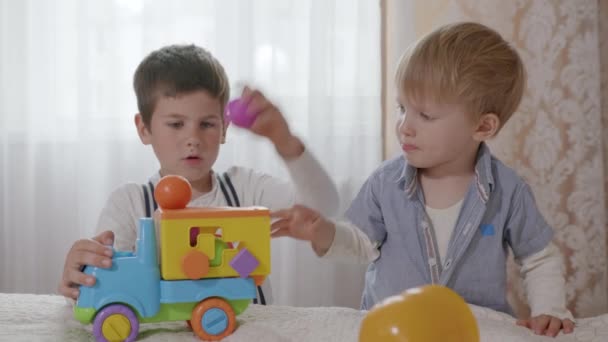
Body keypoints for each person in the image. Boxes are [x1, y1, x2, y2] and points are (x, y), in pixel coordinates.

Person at [270, 22, 574, 337]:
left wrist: (549, 309)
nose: (404, 126)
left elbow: (538, 258)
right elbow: (360, 244)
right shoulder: (385, 183)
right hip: (394, 328)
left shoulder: (509, 190)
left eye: (425, 115)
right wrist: (324, 233)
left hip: (473, 327)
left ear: (483, 127)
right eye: (403, 108)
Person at [58, 44, 340, 305]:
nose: (193, 138)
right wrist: (83, 272)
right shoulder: (130, 203)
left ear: (224, 129)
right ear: (144, 128)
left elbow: (323, 209)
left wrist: (285, 141)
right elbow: (107, 280)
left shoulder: (246, 189)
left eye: (206, 124)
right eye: (176, 124)